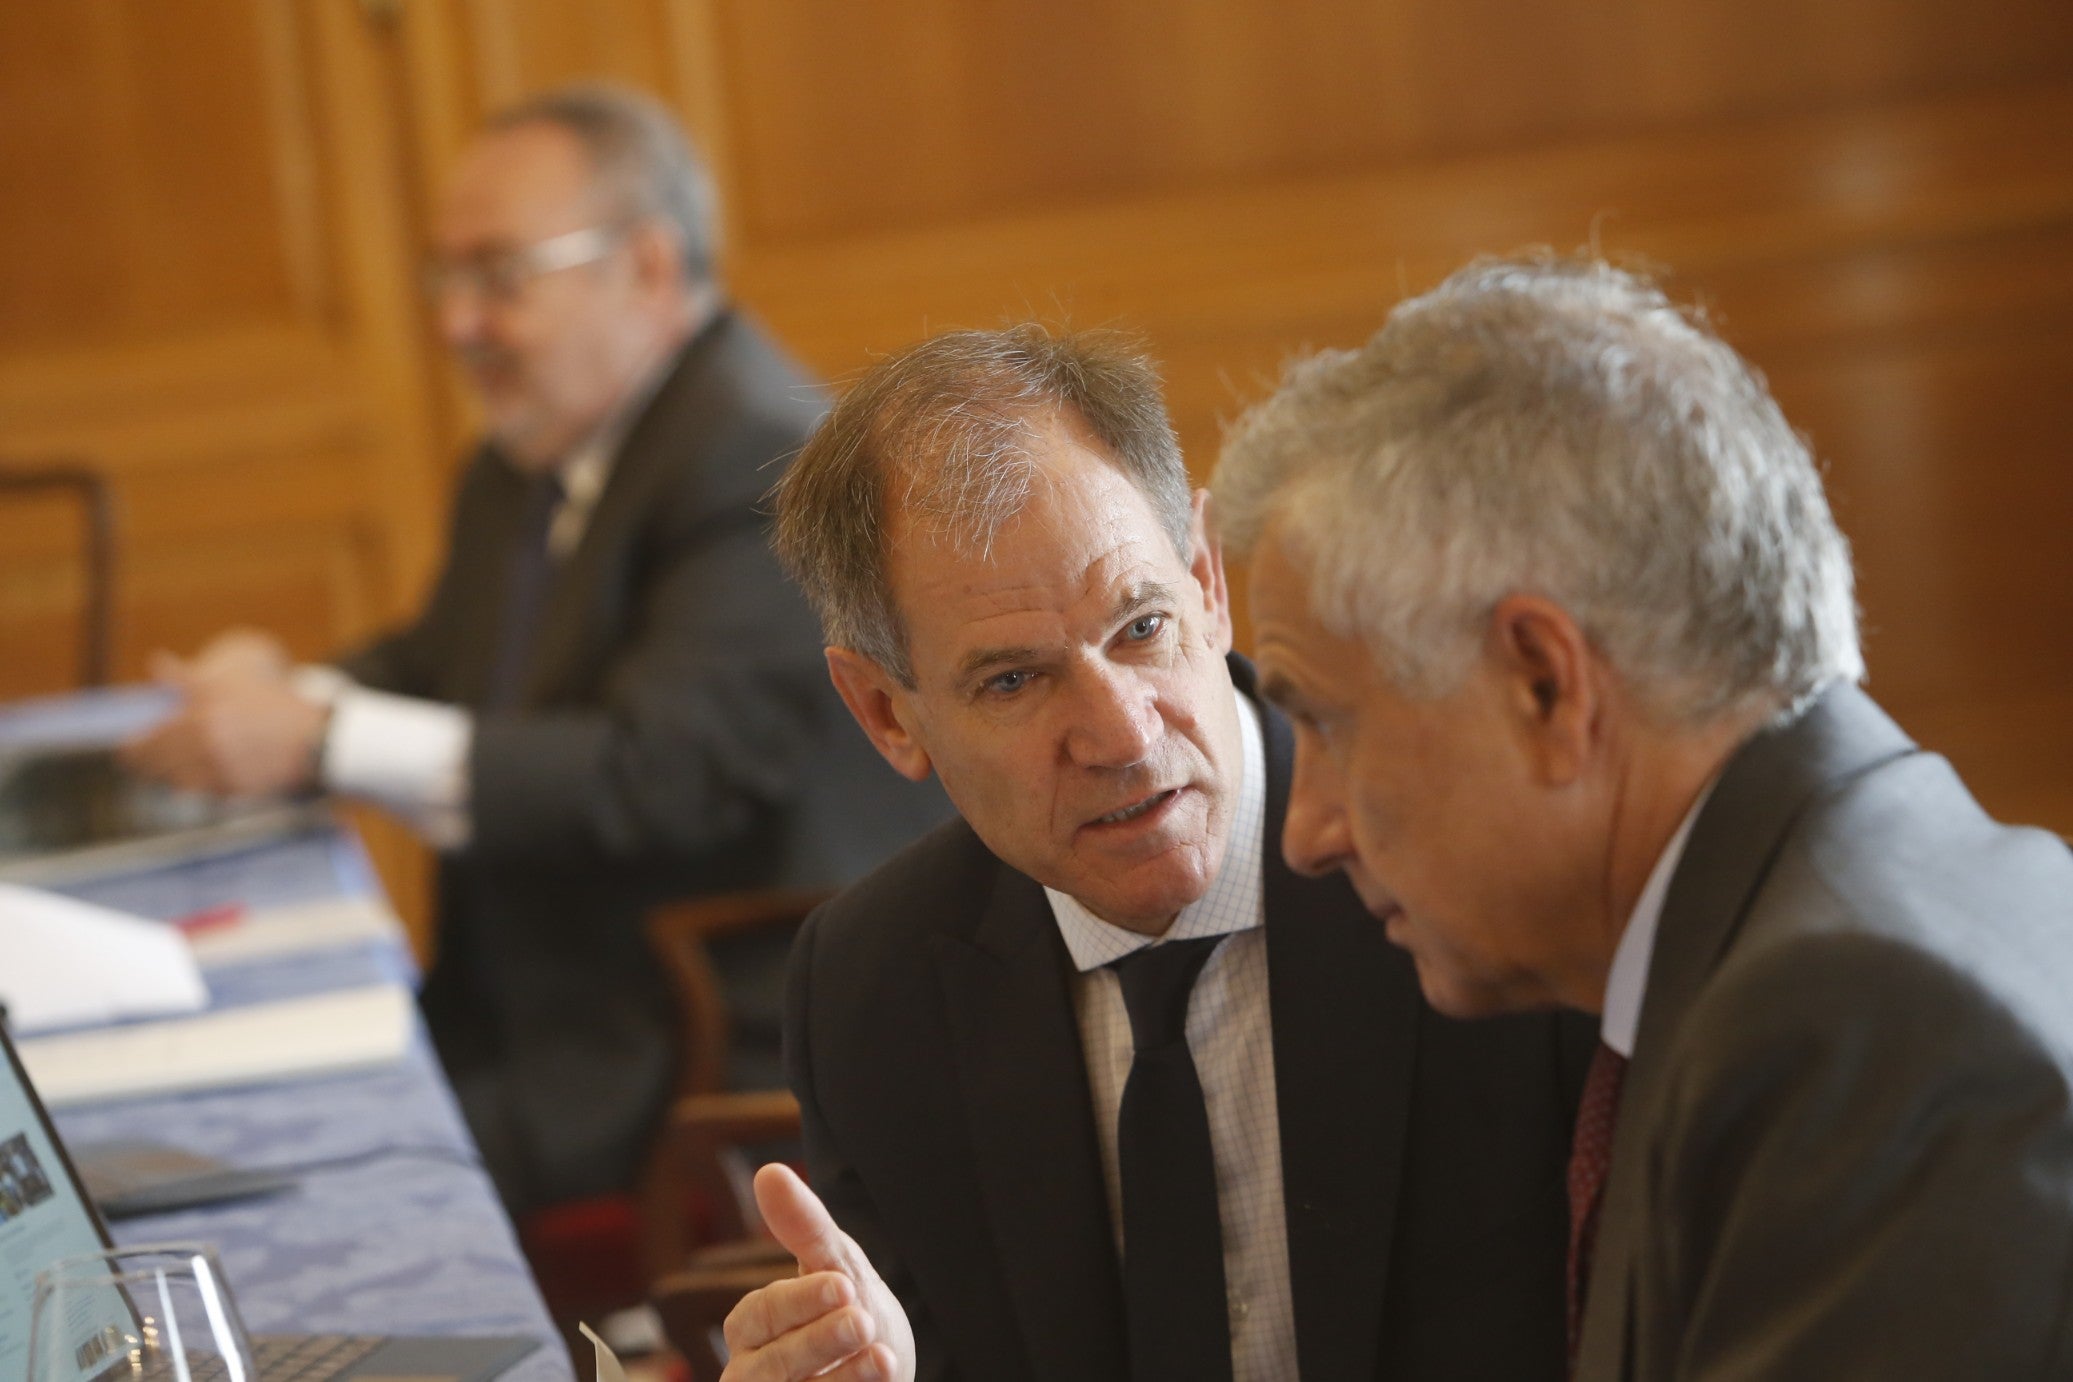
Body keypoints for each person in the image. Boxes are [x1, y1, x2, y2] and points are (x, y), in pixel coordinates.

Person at [1208, 255, 2073, 1379]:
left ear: (1545, 686)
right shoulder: (1890, 896)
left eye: (1325, 720)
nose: (1306, 830)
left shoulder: (1849, 1027)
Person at [123, 85, 948, 1214]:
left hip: (672, 1040)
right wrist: (282, 692)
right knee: (195, 1114)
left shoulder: (760, 459)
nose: (458, 324)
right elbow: (438, 661)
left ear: (648, 268)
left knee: (271, 1185)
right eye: (446, 279)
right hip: (513, 1003)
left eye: (500, 277)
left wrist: (317, 734)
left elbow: (657, 772)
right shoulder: (531, 453)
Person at [720, 325, 1596, 1382]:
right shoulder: (871, 986)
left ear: (1208, 580)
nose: (1125, 735)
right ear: (884, 713)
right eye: (1014, 681)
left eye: (1140, 627)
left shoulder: (1479, 872)